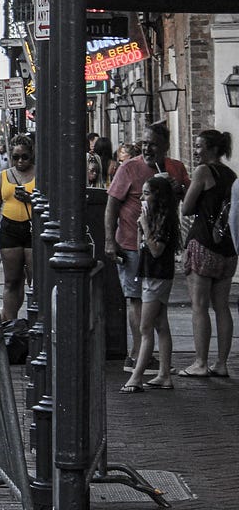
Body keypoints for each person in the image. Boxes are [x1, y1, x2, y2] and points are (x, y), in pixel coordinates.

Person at [105, 122, 189, 373]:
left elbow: (187, 196)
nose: (147, 148)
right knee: (136, 299)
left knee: (158, 303)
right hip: (131, 243)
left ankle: (152, 359)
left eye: (153, 143)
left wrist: (180, 190)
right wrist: (110, 240)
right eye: (144, 143)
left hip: (160, 246)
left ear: (165, 146)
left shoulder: (175, 168)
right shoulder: (129, 168)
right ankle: (138, 354)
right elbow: (112, 205)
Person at [177, 129, 235, 378]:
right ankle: (221, 363)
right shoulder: (231, 175)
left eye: (199, 146)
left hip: (202, 244)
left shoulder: (203, 172)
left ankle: (200, 362)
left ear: (211, 149)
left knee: (199, 306)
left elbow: (188, 208)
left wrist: (183, 191)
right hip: (227, 248)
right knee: (222, 307)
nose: (196, 150)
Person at [120, 177, 180, 392]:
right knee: (160, 325)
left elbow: (156, 250)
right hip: (149, 275)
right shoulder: (151, 218)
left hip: (157, 277)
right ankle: (164, 375)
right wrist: (140, 229)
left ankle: (136, 377)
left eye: (146, 193)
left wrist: (145, 226)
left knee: (145, 328)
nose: (142, 197)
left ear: (158, 196)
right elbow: (140, 248)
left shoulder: (164, 220)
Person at [0, 135, 37, 321]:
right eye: (16, 157)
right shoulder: (2, 177)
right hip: (9, 229)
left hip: (33, 228)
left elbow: (50, 203)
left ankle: (36, 322)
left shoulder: (40, 174)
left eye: (24, 156)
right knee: (12, 280)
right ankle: (9, 322)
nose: (20, 161)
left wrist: (30, 199)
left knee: (35, 281)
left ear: (31, 155)